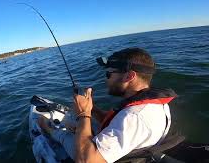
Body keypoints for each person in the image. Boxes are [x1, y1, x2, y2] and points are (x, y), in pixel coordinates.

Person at [38, 47, 178, 163]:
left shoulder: (134, 117)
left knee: (67, 136)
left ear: (129, 76)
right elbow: (116, 121)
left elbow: (86, 160)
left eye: (108, 74)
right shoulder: (154, 104)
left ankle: (50, 130)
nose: (106, 79)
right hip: (133, 149)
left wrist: (83, 115)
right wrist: (92, 110)